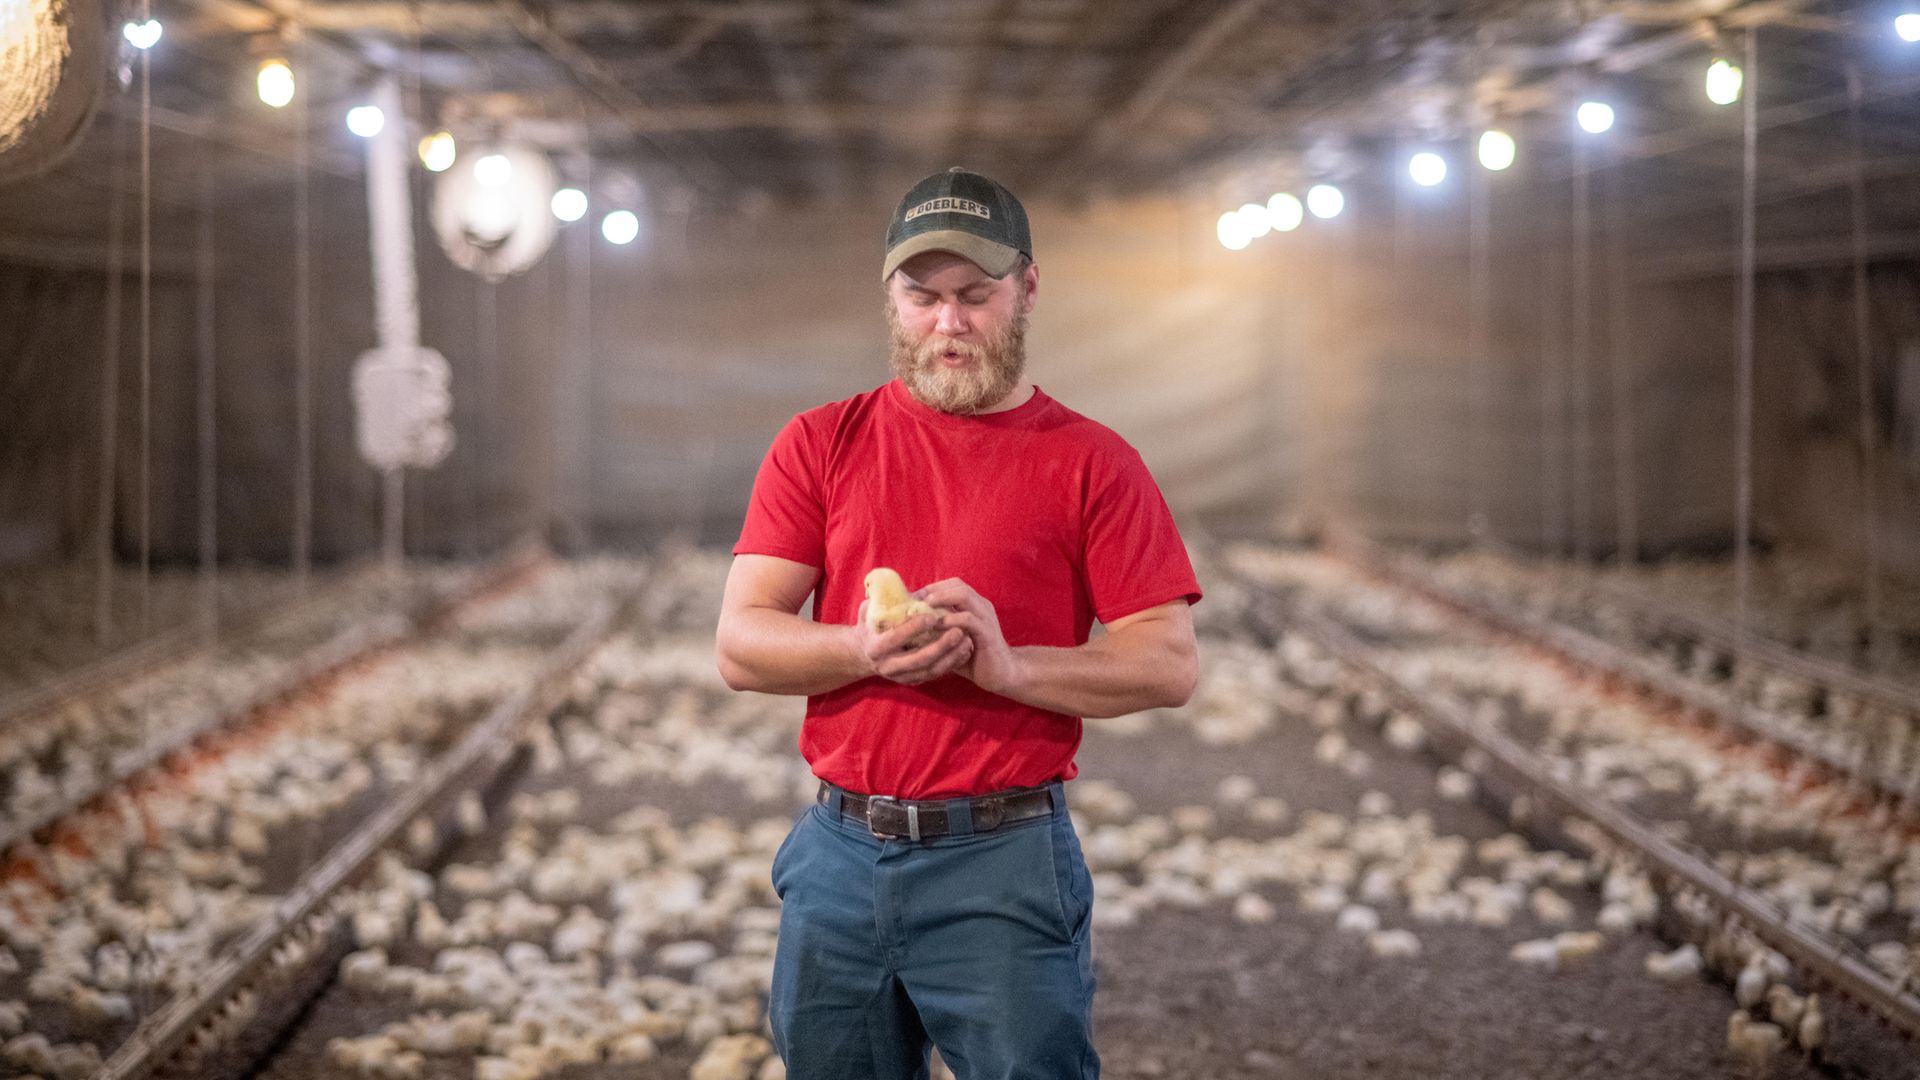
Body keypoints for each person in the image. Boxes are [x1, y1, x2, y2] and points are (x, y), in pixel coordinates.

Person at [714, 166, 1202, 1080]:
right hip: (837, 858)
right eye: (922, 296)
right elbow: (742, 643)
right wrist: (862, 648)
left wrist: (1008, 668)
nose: (949, 322)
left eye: (975, 295)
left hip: (1004, 862)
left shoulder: (1094, 462)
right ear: (890, 299)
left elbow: (1166, 662)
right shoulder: (821, 443)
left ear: (1026, 288)